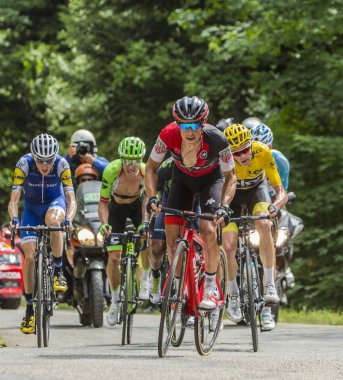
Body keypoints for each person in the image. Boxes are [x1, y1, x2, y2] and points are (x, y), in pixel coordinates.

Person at [145, 96, 237, 310]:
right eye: (184, 125)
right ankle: (178, 287)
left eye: (195, 125)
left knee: (207, 228)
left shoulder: (217, 140)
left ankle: (211, 287)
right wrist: (151, 196)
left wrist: (224, 205)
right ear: (177, 124)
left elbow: (231, 177)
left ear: (203, 123)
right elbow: (150, 168)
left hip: (210, 181)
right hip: (182, 181)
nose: (190, 131)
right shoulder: (168, 134)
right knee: (171, 240)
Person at [8, 133, 77, 334]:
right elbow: (13, 200)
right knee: (29, 257)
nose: (45, 166)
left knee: (54, 222)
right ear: (33, 157)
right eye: (40, 161)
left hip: (54, 204)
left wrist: (69, 219)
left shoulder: (62, 165)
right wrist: (14, 219)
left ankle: (58, 272)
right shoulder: (24, 164)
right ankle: (29, 308)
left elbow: (71, 199)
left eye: (49, 161)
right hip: (30, 210)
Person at [221, 124, 288, 326]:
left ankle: (269, 285)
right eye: (236, 153)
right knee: (229, 246)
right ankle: (232, 295)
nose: (242, 156)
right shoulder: (222, 159)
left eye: (245, 149)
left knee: (265, 225)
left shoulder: (263, 151)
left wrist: (275, 206)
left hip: (255, 192)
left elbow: (280, 190)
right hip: (231, 198)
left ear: (252, 144)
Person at [98, 136, 151, 326]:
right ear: (122, 159)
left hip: (137, 206)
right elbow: (103, 203)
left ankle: (145, 280)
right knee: (114, 257)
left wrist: (145, 222)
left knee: (148, 235)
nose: (131, 165)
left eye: (135, 160)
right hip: (117, 209)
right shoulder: (112, 170)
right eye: (128, 161)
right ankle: (114, 301)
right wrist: (104, 224)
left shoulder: (145, 172)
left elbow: (148, 200)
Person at [250, 121, 293, 331]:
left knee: (278, 236)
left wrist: (274, 209)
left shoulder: (279, 160)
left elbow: (281, 191)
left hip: (270, 205)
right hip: (249, 205)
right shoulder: (243, 157)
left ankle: (267, 308)